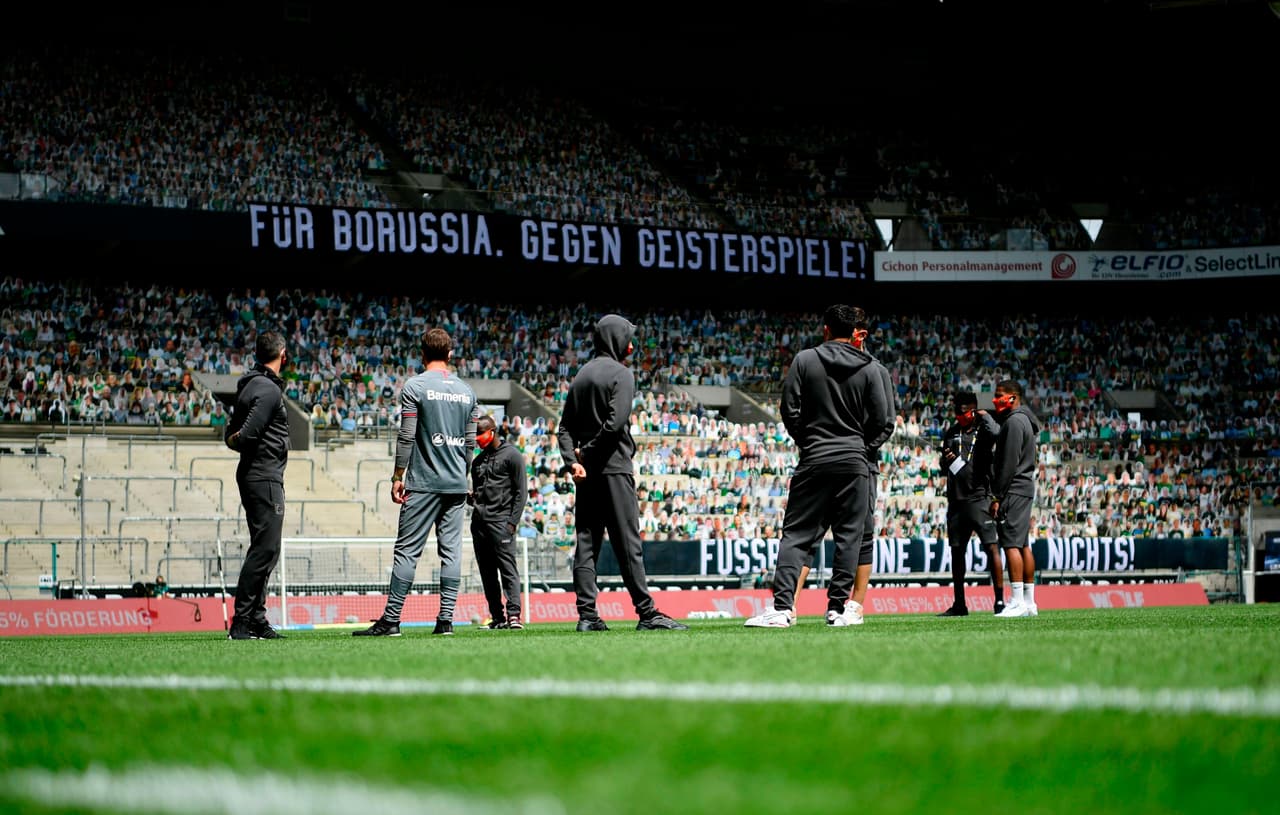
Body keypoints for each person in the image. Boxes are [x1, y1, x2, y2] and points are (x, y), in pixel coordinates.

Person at [745, 304, 894, 629]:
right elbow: (883, 420)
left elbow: (789, 408)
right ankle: (837, 609)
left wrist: (807, 440)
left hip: (814, 457)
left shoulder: (805, 359)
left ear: (825, 329)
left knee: (797, 536)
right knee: (850, 537)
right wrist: (860, 447)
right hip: (855, 462)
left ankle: (782, 608)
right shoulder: (871, 368)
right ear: (855, 332)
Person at [556, 313, 688, 632]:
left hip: (587, 475)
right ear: (617, 339)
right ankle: (647, 613)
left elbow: (564, 428)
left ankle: (587, 616)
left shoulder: (581, 376)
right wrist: (586, 453)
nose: (632, 344)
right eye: (628, 338)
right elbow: (615, 425)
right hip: (614, 469)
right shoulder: (622, 375)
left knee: (586, 545)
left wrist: (573, 461)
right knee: (628, 544)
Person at [355, 327, 478, 637]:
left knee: (407, 551)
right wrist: (462, 475)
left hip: (423, 483)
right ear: (450, 354)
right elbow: (470, 444)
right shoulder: (467, 392)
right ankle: (445, 621)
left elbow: (407, 435)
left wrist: (398, 476)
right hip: (455, 484)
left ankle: (392, 621)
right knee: (452, 552)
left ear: (422, 354)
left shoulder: (416, 386)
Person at [785, 324, 898, 626]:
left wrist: (862, 449)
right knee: (812, 534)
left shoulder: (874, 369)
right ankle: (789, 605)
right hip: (830, 459)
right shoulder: (819, 363)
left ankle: (853, 605)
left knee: (860, 535)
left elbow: (886, 421)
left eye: (859, 332)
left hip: (859, 464)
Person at [225, 330, 291, 641]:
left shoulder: (251, 385)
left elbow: (232, 433)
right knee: (265, 549)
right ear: (283, 355)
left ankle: (256, 619)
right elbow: (246, 434)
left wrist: (234, 438)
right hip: (264, 475)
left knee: (266, 549)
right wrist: (238, 439)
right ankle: (242, 621)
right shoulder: (268, 390)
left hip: (256, 474)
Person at [937, 390, 1004, 617]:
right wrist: (947, 461)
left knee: (991, 548)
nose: (959, 416)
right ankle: (959, 604)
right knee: (957, 553)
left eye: (963, 412)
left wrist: (984, 415)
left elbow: (997, 433)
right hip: (956, 501)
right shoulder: (951, 432)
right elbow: (943, 466)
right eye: (956, 412)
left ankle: (1000, 602)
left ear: (973, 411)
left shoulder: (983, 430)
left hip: (979, 498)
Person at [469, 413, 528, 630]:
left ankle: (514, 616)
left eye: (480, 434)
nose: (477, 438)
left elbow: (522, 492)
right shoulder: (477, 461)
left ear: (492, 432)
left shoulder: (512, 455)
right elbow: (479, 493)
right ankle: (497, 617)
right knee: (487, 574)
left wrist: (512, 523)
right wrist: (471, 498)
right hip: (479, 525)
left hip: (502, 524)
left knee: (508, 571)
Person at [990, 379, 1042, 618]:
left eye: (999, 394)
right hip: (1025, 486)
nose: (995, 399)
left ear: (1013, 397)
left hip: (1013, 488)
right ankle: (1029, 602)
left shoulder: (1013, 422)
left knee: (1011, 544)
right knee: (1023, 545)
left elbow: (1007, 464)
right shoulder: (1027, 421)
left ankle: (1017, 601)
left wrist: (997, 496)